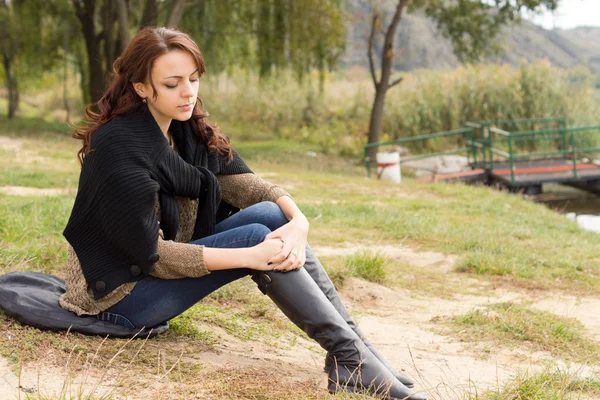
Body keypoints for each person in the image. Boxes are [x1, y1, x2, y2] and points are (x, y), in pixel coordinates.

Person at [59, 27, 426, 400]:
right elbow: (154, 257)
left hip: (148, 275)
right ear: (141, 87)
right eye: (172, 84)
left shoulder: (183, 129)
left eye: (194, 79)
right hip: (117, 296)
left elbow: (247, 186)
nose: (188, 92)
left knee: (270, 214)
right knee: (255, 237)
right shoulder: (119, 149)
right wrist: (251, 258)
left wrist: (299, 221)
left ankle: (359, 354)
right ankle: (353, 358)